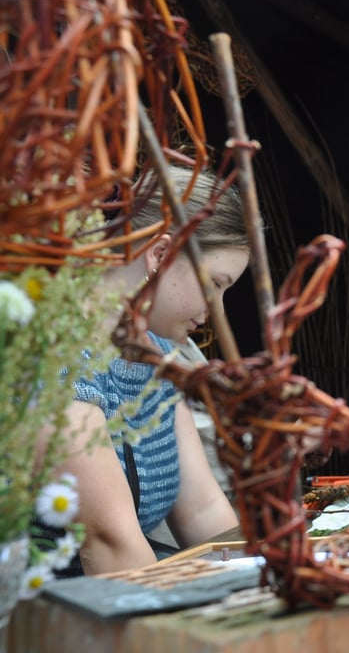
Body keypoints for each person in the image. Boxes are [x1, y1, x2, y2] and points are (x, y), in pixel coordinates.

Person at [40, 166, 247, 575]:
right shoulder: (56, 364)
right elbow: (111, 549)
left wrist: (265, 581)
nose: (215, 311)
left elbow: (203, 511)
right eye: (216, 284)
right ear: (160, 255)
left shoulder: (160, 358)